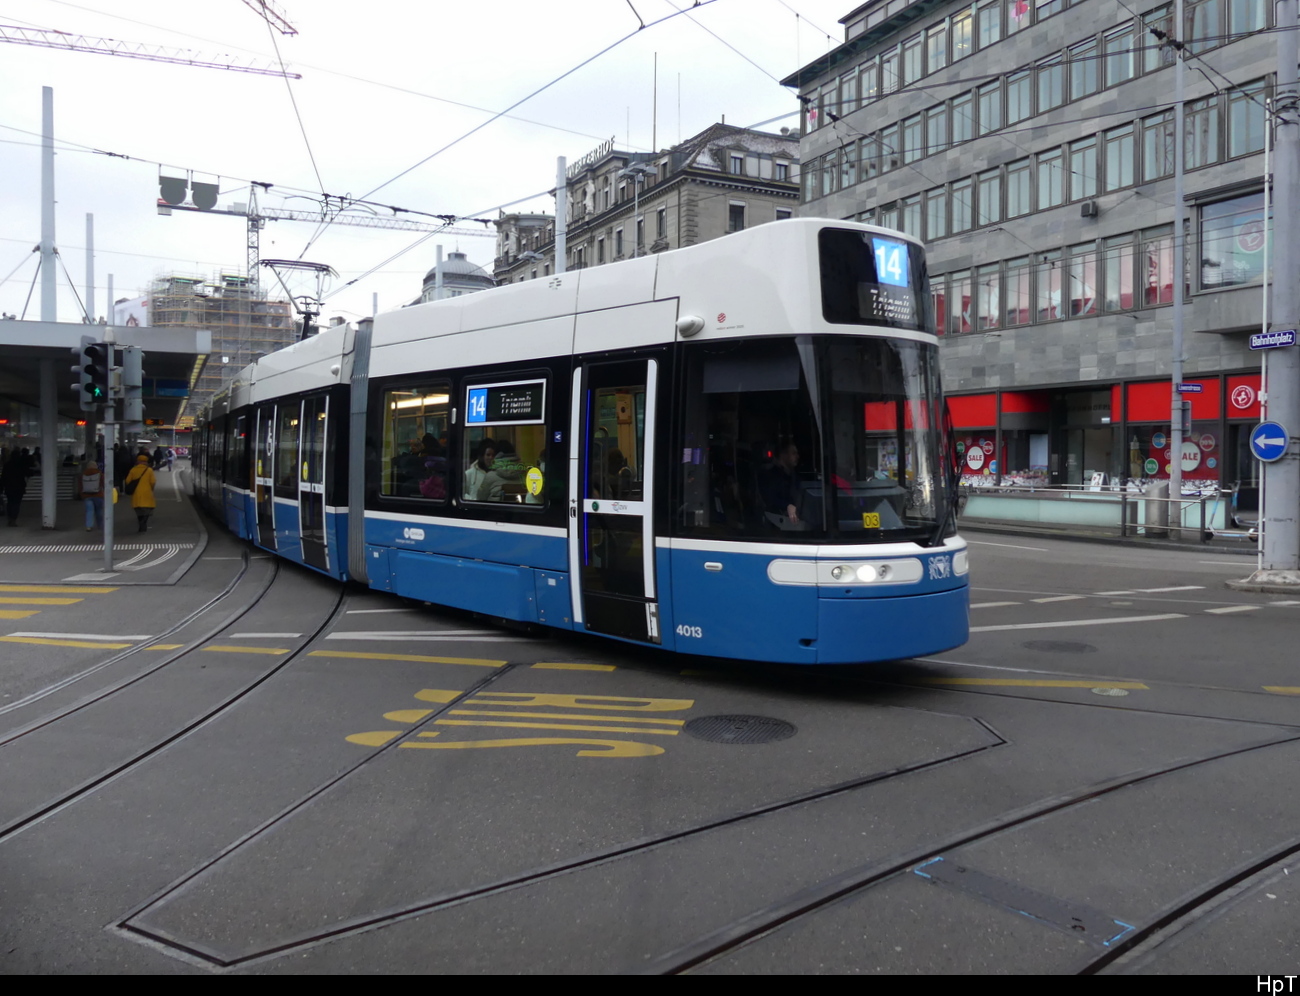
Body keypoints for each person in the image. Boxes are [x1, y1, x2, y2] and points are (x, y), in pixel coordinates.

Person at [759, 438, 802, 525]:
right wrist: (787, 506)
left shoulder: (795, 476)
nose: (798, 457)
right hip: (776, 524)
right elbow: (770, 498)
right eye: (793, 453)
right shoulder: (771, 476)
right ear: (783, 455)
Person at [124, 453, 157, 532]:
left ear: (138, 461)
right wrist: (151, 488)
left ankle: (141, 523)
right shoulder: (149, 470)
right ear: (146, 462)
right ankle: (143, 522)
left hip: (136, 493)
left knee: (138, 511)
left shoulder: (133, 470)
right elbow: (153, 481)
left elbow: (127, 481)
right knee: (147, 509)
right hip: (147, 493)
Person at [1, 448, 31, 527]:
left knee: (10, 503)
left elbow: (3, 477)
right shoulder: (21, 464)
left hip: (9, 487)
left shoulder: (7, 465)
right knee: (16, 503)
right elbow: (28, 472)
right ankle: (13, 520)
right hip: (19, 487)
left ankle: (10, 519)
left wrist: (2, 487)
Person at [78, 460, 105, 532]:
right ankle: (100, 525)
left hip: (87, 496)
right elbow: (103, 484)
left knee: (89, 511)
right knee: (99, 511)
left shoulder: (83, 474)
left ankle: (89, 526)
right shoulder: (99, 474)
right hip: (98, 495)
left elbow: (80, 486)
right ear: (96, 466)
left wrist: (82, 494)